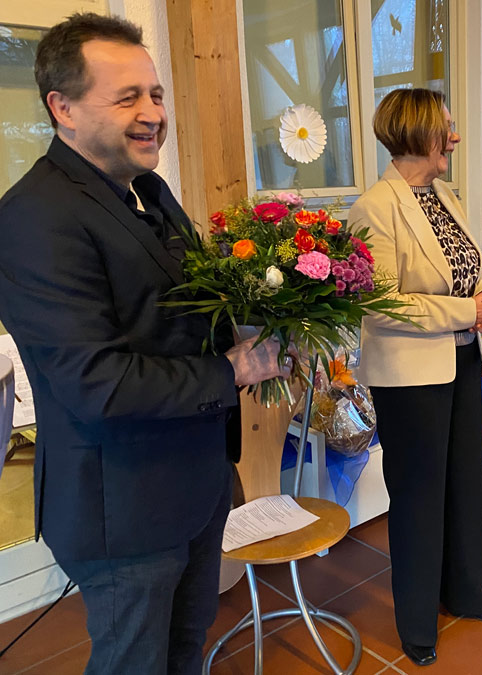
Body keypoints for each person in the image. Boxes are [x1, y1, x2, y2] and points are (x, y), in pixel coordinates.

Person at [0, 14, 286, 674]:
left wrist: (258, 325)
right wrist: (232, 370)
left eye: (155, 94)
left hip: (194, 484)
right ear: (63, 108)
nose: (153, 113)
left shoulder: (150, 192)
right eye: (127, 97)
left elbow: (178, 312)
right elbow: (96, 383)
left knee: (186, 648)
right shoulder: (35, 217)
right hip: (123, 510)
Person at [348, 88, 482, 667]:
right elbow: (380, 304)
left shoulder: (443, 194)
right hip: (409, 373)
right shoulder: (374, 208)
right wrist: (466, 311)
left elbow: (469, 265)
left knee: (465, 480)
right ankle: (416, 622)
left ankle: (465, 590)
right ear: (418, 132)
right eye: (447, 127)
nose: (455, 137)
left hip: (460, 358)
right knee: (418, 496)